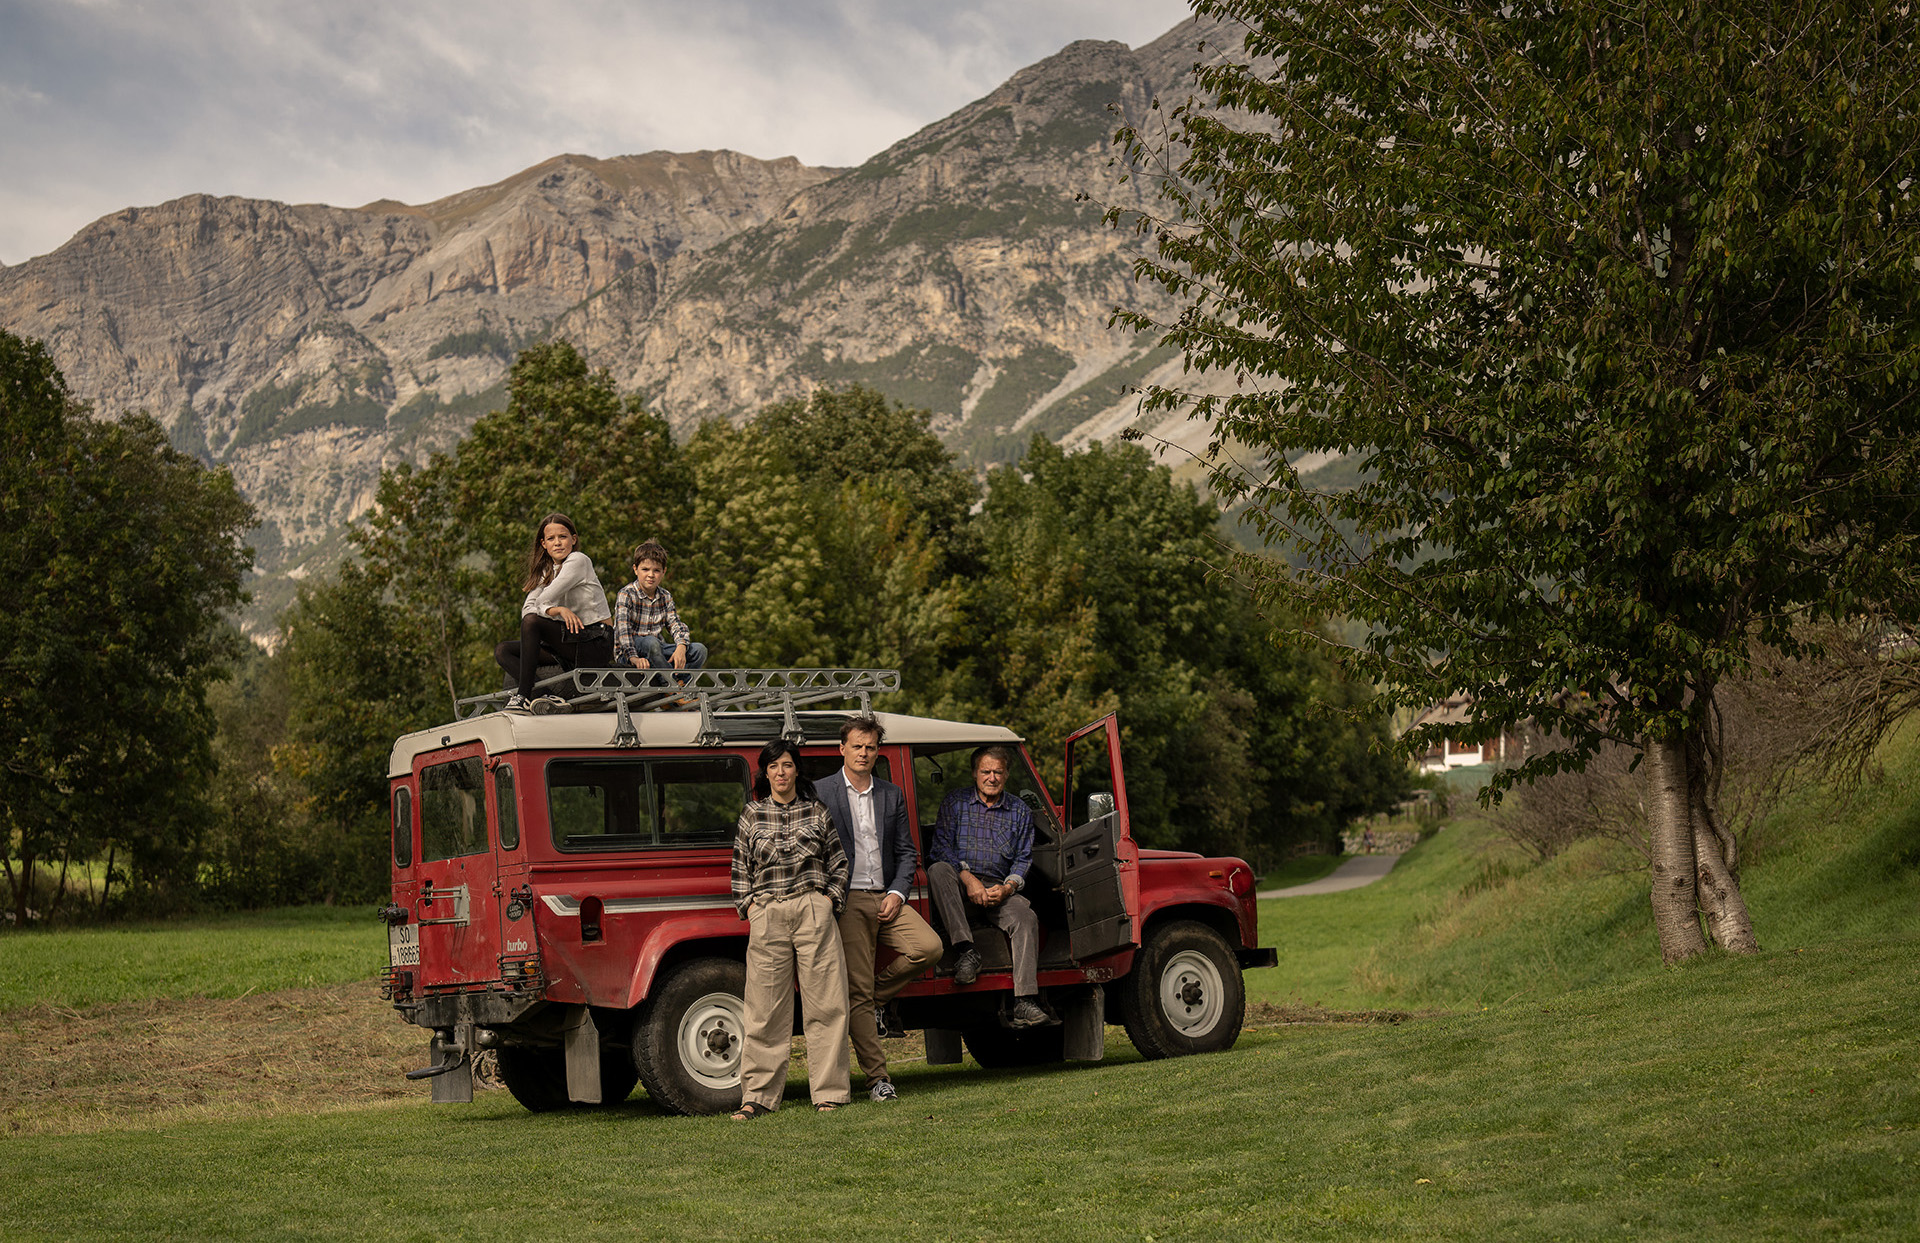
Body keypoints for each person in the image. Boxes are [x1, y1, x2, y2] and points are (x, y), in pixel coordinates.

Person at [817, 716, 941, 1102]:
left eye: (870, 747)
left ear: (877, 752)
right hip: (848, 899)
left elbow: (906, 852)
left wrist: (898, 893)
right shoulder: (821, 791)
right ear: (842, 749)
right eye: (857, 746)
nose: (864, 753)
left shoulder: (891, 794)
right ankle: (878, 1080)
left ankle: (874, 999)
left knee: (928, 948)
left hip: (886, 895)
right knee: (855, 990)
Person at [729, 739, 853, 1118]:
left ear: (796, 769)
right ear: (765, 774)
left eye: (786, 765)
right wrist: (751, 908)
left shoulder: (816, 811)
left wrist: (829, 901)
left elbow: (839, 863)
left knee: (827, 1005)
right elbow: (739, 869)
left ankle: (829, 1093)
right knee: (764, 1009)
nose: (780, 772)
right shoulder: (752, 814)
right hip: (768, 913)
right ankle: (758, 1097)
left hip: (812, 909)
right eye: (773, 766)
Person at [926, 745, 1054, 1030]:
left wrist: (1008, 887)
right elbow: (940, 848)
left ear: (1006, 775)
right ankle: (967, 951)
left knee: (1026, 916)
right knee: (938, 870)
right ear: (975, 773)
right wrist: (968, 878)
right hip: (961, 885)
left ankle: (1024, 1001)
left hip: (999, 888)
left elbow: (1023, 859)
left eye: (998, 772)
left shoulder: (1019, 811)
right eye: (986, 771)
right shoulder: (955, 802)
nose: (992, 777)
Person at [493, 513, 613, 715]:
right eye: (551, 538)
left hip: (596, 641)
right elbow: (527, 609)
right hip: (570, 641)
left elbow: (541, 603)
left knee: (532, 623)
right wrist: (556, 610)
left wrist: (553, 609)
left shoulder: (579, 561)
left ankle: (523, 695)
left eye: (563, 537)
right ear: (544, 544)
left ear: (573, 539)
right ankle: (547, 696)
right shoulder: (547, 572)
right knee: (503, 650)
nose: (557, 543)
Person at [612, 539, 708, 678]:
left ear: (664, 572)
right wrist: (634, 658)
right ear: (635, 569)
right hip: (630, 652)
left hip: (657, 652)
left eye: (656, 570)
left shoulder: (665, 596)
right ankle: (671, 683)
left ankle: (679, 681)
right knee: (651, 642)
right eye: (645, 569)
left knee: (699, 650)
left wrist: (681, 646)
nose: (651, 575)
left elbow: (675, 623)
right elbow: (623, 632)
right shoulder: (626, 594)